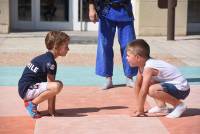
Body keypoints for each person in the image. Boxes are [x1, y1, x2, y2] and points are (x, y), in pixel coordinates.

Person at [126, 39, 190, 118]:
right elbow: (137, 85)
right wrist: (139, 107)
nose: (126, 58)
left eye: (128, 56)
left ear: (137, 57)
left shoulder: (149, 67)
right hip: (173, 86)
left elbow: (143, 90)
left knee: (152, 89)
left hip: (181, 88)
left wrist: (140, 110)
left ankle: (179, 105)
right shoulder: (142, 66)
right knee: (149, 83)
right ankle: (161, 107)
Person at [18, 31, 70, 118]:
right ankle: (31, 104)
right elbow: (52, 86)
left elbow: (50, 85)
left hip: (25, 88)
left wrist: (52, 110)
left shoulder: (45, 58)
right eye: (66, 46)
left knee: (58, 84)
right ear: (56, 46)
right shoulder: (50, 62)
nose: (68, 49)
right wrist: (52, 110)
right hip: (27, 89)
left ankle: (32, 102)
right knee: (57, 86)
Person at [89, 0, 138, 89]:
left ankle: (129, 77)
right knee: (105, 45)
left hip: (125, 9)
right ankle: (108, 78)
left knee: (129, 44)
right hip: (106, 10)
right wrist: (91, 8)